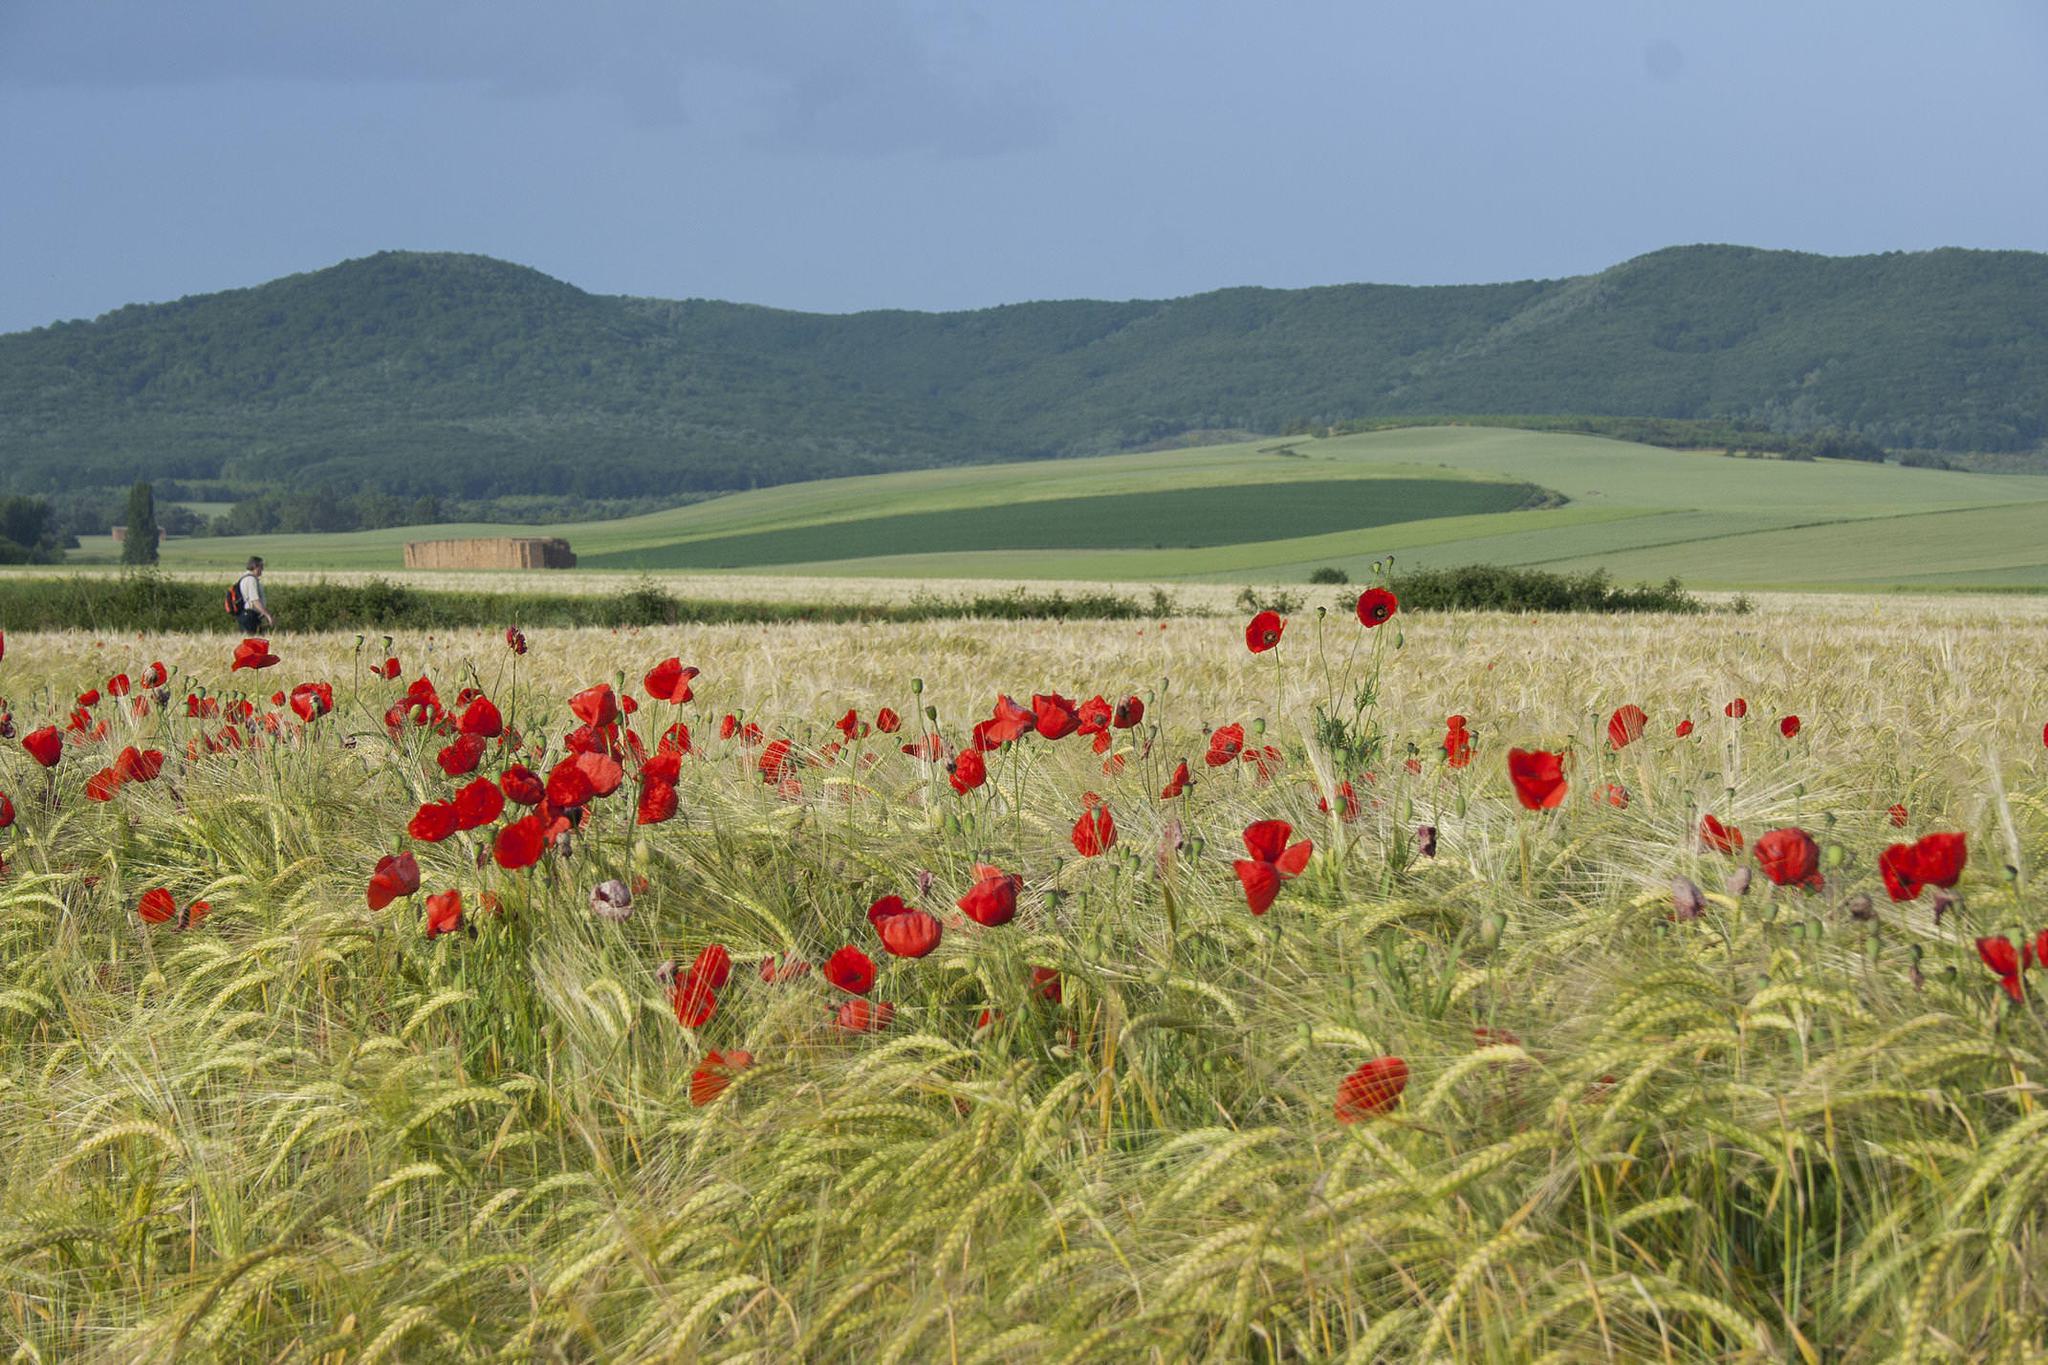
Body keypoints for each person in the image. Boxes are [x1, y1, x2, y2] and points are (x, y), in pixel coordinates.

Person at [236, 556, 273, 635]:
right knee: (253, 642)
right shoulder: (251, 580)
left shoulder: (246, 578)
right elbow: (255, 600)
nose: (262, 569)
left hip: (248, 615)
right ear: (255, 566)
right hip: (250, 616)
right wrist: (267, 615)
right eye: (261, 566)